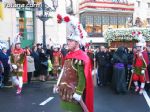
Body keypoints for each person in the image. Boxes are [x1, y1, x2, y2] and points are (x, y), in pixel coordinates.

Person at [55, 14, 94, 112]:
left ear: (77, 43)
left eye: (71, 41)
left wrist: (79, 92)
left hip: (75, 92)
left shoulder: (81, 57)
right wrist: (58, 84)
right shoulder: (68, 55)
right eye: (68, 40)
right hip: (65, 91)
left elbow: (82, 78)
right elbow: (64, 72)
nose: (68, 42)